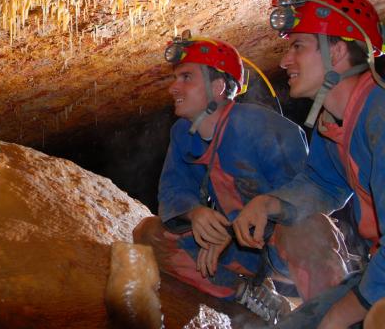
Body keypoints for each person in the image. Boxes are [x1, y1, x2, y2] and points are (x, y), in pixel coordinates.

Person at [133, 33, 349, 323]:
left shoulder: (265, 128)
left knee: (307, 228)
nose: (174, 88)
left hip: (280, 243)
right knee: (149, 234)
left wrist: (232, 230)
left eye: (186, 77)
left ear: (218, 87)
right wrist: (196, 214)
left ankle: (332, 316)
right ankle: (248, 297)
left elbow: (306, 199)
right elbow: (174, 187)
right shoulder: (183, 133)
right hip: (235, 249)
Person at [233, 0, 385, 328]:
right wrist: (268, 203)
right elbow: (324, 183)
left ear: (339, 53)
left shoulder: (380, 117)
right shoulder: (335, 121)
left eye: (298, 46)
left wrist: (345, 311)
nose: (285, 60)